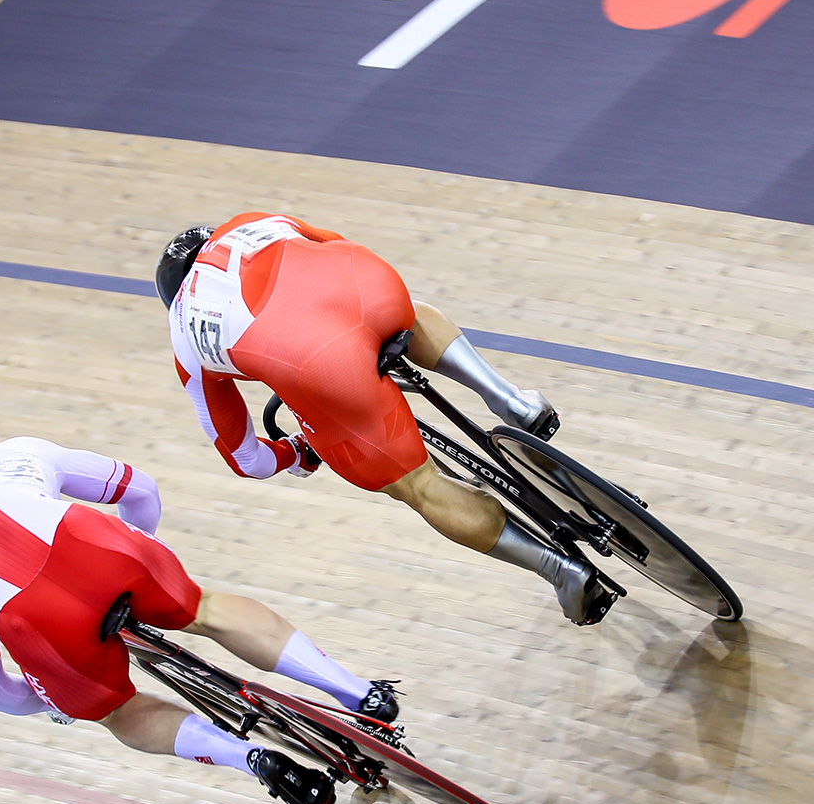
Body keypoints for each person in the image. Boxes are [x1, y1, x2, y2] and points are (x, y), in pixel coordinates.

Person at [0, 420, 399, 804]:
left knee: (119, 712)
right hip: (96, 548)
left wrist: (58, 701)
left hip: (37, 623)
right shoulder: (15, 453)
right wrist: (143, 560)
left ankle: (252, 760)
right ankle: (359, 693)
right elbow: (140, 490)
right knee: (206, 610)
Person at [157, 213, 614, 625]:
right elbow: (336, 243)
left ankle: (561, 570)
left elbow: (245, 458)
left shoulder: (184, 332)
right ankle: (510, 398)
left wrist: (297, 451)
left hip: (321, 362)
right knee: (405, 312)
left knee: (418, 485)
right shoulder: (248, 221)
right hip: (367, 284)